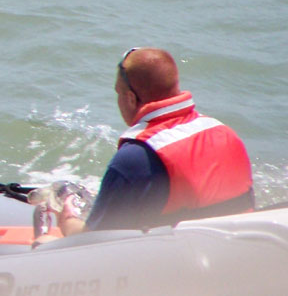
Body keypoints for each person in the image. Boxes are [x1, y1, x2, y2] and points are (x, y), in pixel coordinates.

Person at [39, 47, 254, 240]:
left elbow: (93, 241)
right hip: (231, 251)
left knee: (44, 242)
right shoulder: (224, 133)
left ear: (131, 98)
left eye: (118, 93)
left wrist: (67, 217)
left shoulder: (136, 157)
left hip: (174, 265)